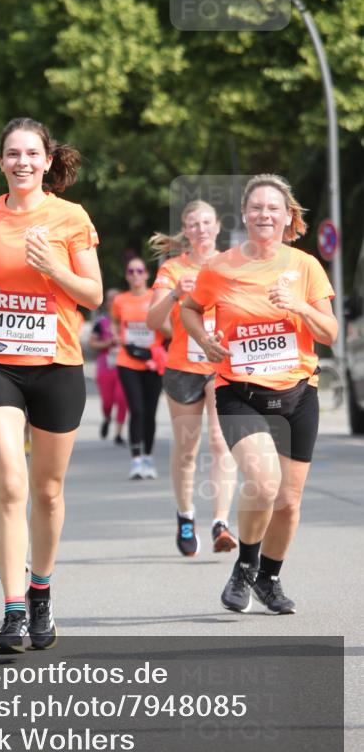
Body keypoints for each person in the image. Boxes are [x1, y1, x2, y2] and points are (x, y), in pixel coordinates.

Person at [0, 117, 102, 653]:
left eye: (31, 154)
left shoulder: (70, 218)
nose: (21, 162)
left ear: (47, 161)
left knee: (47, 491)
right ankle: (13, 610)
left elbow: (91, 294)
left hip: (57, 365)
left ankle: (41, 589)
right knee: (12, 483)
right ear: (0, 162)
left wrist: (55, 269)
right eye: (11, 154)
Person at [181, 174, 338, 614]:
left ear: (288, 216)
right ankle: (244, 568)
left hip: (297, 393)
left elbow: (330, 332)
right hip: (240, 393)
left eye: (274, 208)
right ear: (245, 215)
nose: (265, 214)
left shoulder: (305, 266)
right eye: (256, 208)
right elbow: (190, 309)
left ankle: (268, 578)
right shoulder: (220, 267)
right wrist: (206, 340)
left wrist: (300, 306)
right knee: (264, 483)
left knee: (288, 501)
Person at [147, 200, 237, 556]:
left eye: (206, 222)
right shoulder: (173, 268)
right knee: (187, 449)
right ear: (186, 231)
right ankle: (186, 515)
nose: (200, 229)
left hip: (221, 366)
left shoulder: (231, 264)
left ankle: (220, 523)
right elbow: (153, 322)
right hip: (183, 367)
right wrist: (175, 293)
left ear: (217, 227)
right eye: (193, 224)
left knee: (220, 441)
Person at [111, 259, 168, 479]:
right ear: (127, 275)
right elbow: (116, 321)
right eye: (131, 271)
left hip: (153, 361)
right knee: (136, 409)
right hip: (128, 360)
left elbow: (169, 329)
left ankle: (148, 457)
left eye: (139, 271)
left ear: (146, 275)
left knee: (150, 411)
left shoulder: (156, 298)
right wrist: (117, 334)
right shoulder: (120, 300)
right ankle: (135, 460)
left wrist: (157, 321)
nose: (135, 274)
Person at [89, 288, 128, 445]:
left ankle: (118, 433)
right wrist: (107, 343)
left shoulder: (128, 319)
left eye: (117, 299)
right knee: (107, 401)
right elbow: (92, 342)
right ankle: (106, 417)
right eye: (111, 299)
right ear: (107, 303)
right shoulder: (101, 321)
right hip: (105, 365)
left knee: (122, 398)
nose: (114, 302)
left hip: (125, 364)